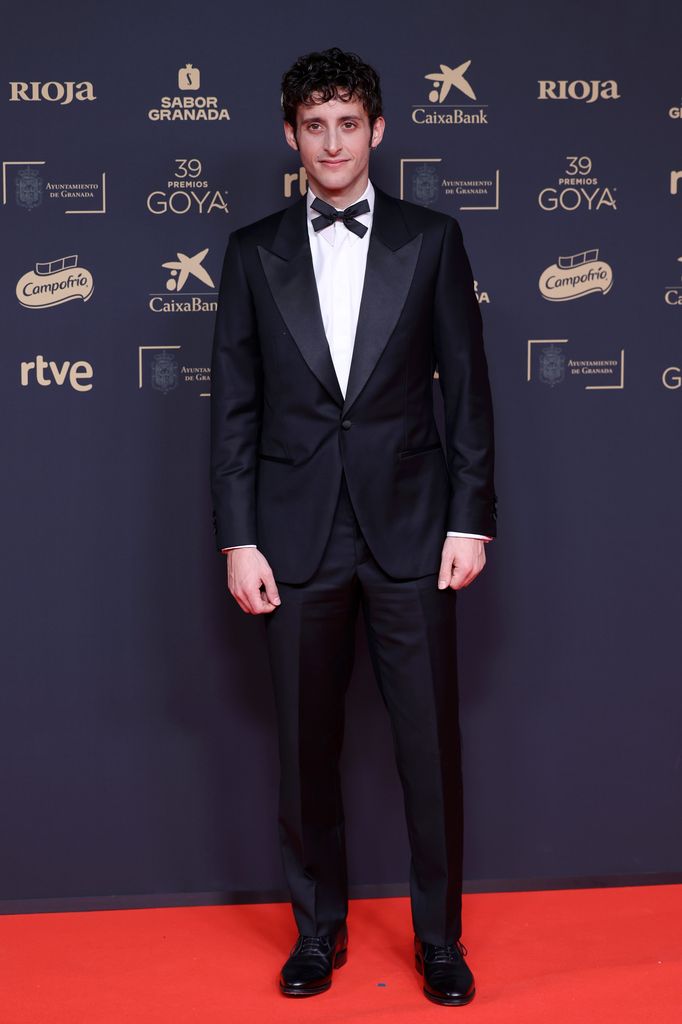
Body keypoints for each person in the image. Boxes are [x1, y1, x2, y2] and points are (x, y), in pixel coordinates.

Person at [209, 46, 497, 1006]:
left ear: (378, 130)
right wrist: (237, 537)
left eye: (348, 123)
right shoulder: (252, 252)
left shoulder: (434, 239)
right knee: (304, 755)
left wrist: (472, 520)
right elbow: (235, 411)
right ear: (290, 137)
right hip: (293, 541)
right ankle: (316, 935)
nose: (332, 142)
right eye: (313, 125)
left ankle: (441, 940)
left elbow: (469, 396)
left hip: (415, 533)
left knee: (429, 752)